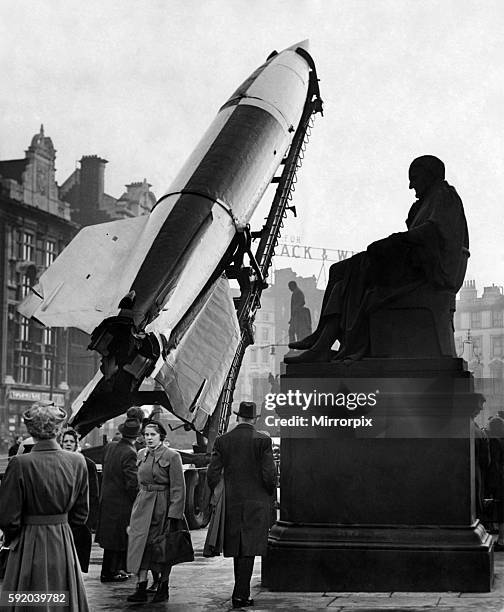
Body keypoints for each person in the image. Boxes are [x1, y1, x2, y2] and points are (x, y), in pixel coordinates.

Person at [286, 155, 469, 363]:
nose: (411, 185)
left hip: (429, 272)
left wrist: (396, 239)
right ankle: (321, 337)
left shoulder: (444, 195)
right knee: (338, 272)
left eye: (415, 177)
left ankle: (324, 344)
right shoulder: (429, 200)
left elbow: (433, 231)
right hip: (417, 267)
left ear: (430, 175)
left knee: (358, 270)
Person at [0, 401, 89, 612]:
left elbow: (7, 516)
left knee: (27, 600)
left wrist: (15, 536)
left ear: (30, 430)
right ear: (58, 430)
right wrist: (63, 529)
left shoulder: (20, 463)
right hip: (62, 541)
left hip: (27, 541)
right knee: (63, 599)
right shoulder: (78, 461)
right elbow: (81, 514)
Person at [207, 401, 277, 609]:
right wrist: (269, 494)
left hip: (232, 501)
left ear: (237, 417)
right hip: (256, 502)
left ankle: (240, 592)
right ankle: (240, 594)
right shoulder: (263, 441)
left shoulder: (223, 441)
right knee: (249, 549)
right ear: (255, 419)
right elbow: (269, 475)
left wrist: (218, 492)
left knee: (237, 548)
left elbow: (212, 473)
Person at [126, 419, 186, 603]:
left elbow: (178, 488)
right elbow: (139, 482)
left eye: (153, 435)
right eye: (146, 435)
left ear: (161, 436)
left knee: (162, 548)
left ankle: (163, 587)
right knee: (139, 546)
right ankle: (141, 587)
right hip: (143, 505)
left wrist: (173, 515)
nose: (149, 438)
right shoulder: (141, 454)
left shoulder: (172, 456)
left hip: (162, 506)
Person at [95, 417, 140, 582]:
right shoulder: (130, 452)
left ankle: (110, 570)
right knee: (119, 539)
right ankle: (112, 572)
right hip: (122, 503)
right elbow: (131, 482)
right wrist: (137, 500)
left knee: (110, 540)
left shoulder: (110, 447)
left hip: (107, 499)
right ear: (137, 436)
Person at [61, 428, 100, 572]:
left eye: (71, 441)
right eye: (65, 441)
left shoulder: (87, 464)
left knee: (77, 560)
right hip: (63, 516)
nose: (68, 444)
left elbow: (94, 494)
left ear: (77, 443)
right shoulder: (58, 462)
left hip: (80, 518)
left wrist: (90, 521)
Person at [486, 416, 504, 550]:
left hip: (500, 479)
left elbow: (494, 463)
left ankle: (502, 540)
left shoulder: (495, 441)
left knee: (501, 509)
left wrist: (491, 483)